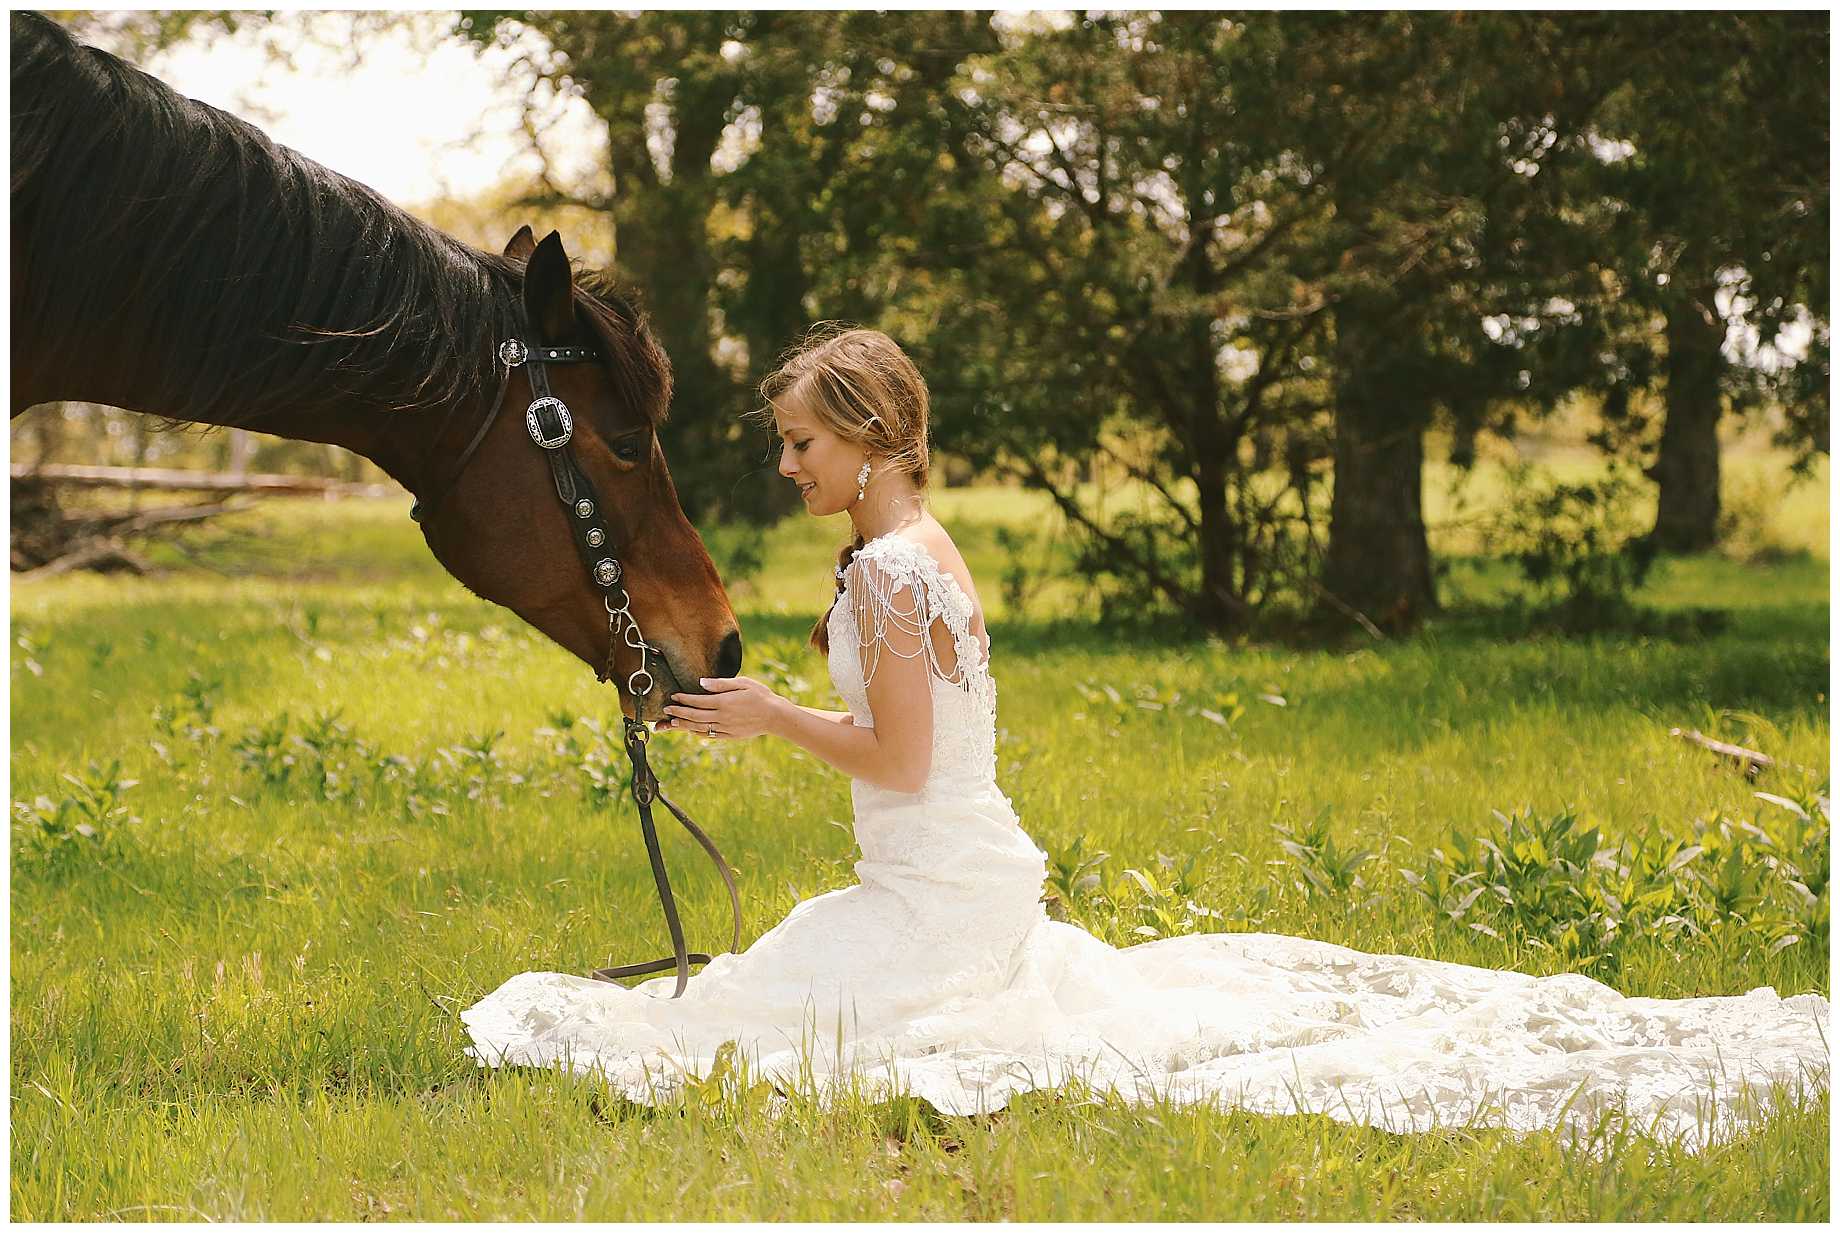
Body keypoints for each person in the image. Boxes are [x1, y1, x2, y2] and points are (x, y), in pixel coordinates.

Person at [462, 326, 1828, 1147]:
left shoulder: (891, 571)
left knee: (727, 1029)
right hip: (950, 874)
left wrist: (769, 716)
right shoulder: (918, 547)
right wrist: (771, 715)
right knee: (744, 1003)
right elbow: (904, 738)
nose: (786, 468)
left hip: (934, 887)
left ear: (874, 442)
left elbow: (904, 762)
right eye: (783, 445)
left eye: (802, 446)